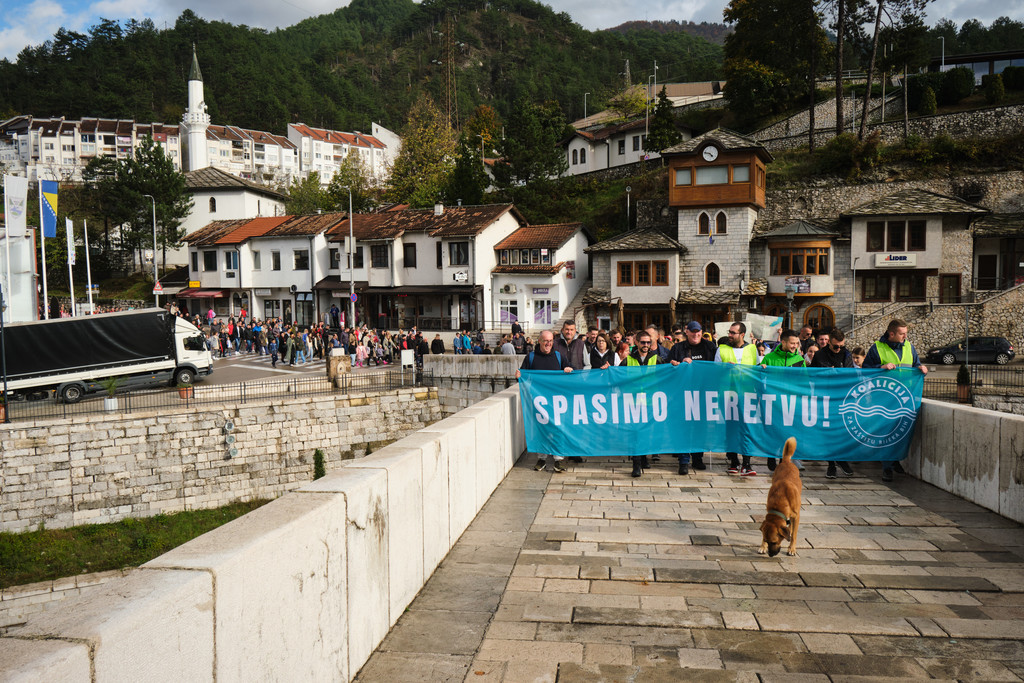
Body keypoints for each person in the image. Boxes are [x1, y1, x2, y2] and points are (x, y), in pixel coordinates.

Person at [862, 319, 928, 482]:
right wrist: (881, 367)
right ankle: (887, 468)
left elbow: (916, 365)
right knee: (886, 433)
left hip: (904, 398)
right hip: (883, 399)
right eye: (902, 333)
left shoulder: (909, 346)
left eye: (906, 333)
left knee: (901, 432)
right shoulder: (877, 348)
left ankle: (894, 460)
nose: (905, 336)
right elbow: (865, 371)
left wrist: (922, 369)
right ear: (891, 334)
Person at [516, 330, 573, 473]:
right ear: (539, 341)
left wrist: (568, 370)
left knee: (558, 430)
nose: (548, 344)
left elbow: (571, 372)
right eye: (545, 341)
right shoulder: (531, 357)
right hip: (538, 401)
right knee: (540, 430)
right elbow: (523, 375)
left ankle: (558, 460)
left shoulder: (559, 356)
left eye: (551, 341)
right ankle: (541, 459)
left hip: (556, 401)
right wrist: (518, 376)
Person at [668, 320, 718, 474]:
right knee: (684, 427)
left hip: (704, 393)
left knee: (700, 427)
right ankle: (683, 460)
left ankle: (698, 458)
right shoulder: (678, 348)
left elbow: (717, 366)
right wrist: (676, 364)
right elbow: (667, 365)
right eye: (693, 331)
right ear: (687, 332)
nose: (696, 334)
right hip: (683, 393)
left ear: (701, 332)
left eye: (698, 331)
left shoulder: (710, 347)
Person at [715, 321, 760, 476]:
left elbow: (758, 370)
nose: (730, 335)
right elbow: (714, 371)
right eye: (729, 332)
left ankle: (747, 464)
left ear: (742, 334)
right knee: (731, 428)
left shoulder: (752, 349)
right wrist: (723, 368)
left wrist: (764, 368)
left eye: (733, 333)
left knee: (747, 428)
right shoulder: (721, 349)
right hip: (728, 394)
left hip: (747, 394)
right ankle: (734, 462)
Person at [811, 328, 856, 478]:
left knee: (843, 431)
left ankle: (842, 459)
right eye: (836, 346)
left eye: (841, 346)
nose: (838, 350)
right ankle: (831, 464)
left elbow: (850, 374)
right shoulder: (820, 355)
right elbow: (812, 375)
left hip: (842, 398)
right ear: (829, 343)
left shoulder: (846, 353)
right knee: (828, 432)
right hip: (825, 398)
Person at [761, 329, 806, 471]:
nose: (795, 346)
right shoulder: (769, 358)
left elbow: (805, 381)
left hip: (791, 402)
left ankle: (783, 458)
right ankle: (770, 454)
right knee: (773, 429)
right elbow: (760, 377)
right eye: (792, 343)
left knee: (787, 430)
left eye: (797, 343)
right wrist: (760, 369)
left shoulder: (799, 360)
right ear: (783, 342)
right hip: (773, 401)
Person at [625, 330, 663, 477]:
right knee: (635, 432)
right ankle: (636, 464)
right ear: (636, 342)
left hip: (650, 402)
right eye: (643, 342)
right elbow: (617, 375)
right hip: (633, 402)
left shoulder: (657, 359)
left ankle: (644, 456)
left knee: (647, 432)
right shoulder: (628, 359)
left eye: (649, 342)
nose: (646, 345)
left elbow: (668, 374)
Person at [552, 320, 587, 463]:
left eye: (571, 330)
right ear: (562, 330)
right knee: (560, 421)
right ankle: (560, 449)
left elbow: (588, 364)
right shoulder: (555, 344)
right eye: (566, 329)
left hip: (576, 389)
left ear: (575, 331)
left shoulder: (581, 344)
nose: (569, 332)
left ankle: (574, 450)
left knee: (576, 420)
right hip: (559, 388)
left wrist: (582, 378)